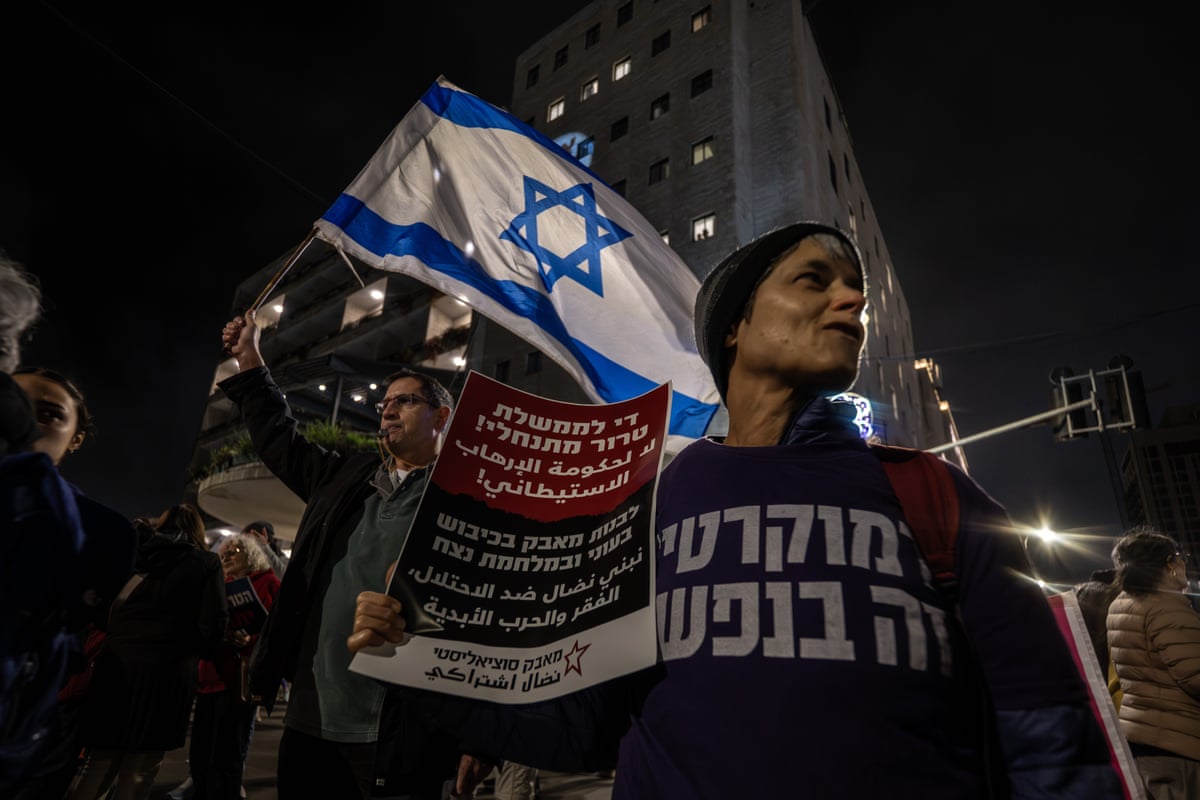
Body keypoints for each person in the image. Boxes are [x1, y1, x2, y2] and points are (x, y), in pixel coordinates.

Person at [349, 222, 1122, 798]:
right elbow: (587, 725)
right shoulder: (651, 503)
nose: (852, 299)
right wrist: (422, 661)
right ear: (735, 327)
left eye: (853, 287)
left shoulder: (935, 494)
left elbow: (1049, 728)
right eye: (814, 280)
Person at [217, 309, 462, 799]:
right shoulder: (344, 478)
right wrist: (250, 358)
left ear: (442, 417)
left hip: (400, 731)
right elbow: (281, 439)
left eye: (405, 401)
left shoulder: (464, 501)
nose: (387, 410)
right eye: (385, 403)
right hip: (311, 719)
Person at [68, 503, 227, 800]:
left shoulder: (135, 556)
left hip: (116, 668)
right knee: (140, 770)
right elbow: (213, 625)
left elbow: (100, 611)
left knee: (98, 763)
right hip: (167, 676)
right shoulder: (206, 564)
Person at [1107, 526, 1200, 798]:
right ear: (1169, 564)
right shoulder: (1165, 605)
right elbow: (1194, 674)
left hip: (1144, 738)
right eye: (1179, 556)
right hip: (1181, 741)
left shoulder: (1121, 604)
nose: (1184, 562)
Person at [188, 534, 281, 800]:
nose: (227, 556)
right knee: (201, 751)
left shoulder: (269, 583)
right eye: (225, 553)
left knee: (228, 752)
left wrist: (250, 639)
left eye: (235, 551)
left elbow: (276, 630)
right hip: (210, 676)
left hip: (239, 681)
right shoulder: (218, 584)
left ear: (250, 555)